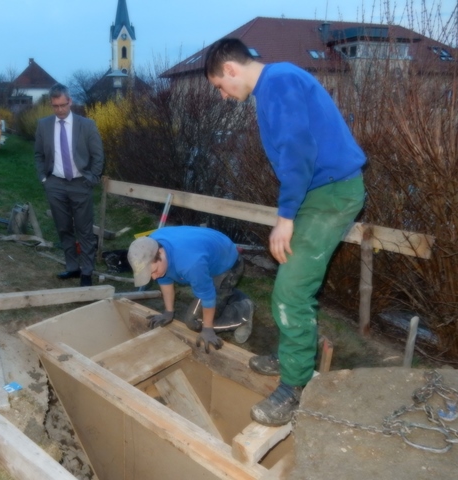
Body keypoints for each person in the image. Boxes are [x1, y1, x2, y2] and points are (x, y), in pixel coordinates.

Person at [204, 38, 366, 426]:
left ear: (230, 69)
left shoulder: (279, 82)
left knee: (291, 290)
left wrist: (286, 216)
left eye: (219, 86)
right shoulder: (273, 86)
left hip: (330, 194)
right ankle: (293, 355)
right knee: (290, 281)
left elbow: (297, 150)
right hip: (319, 191)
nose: (223, 96)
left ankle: (294, 387)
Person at [127, 226, 253, 353]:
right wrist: (168, 312)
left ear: (160, 253)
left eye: (154, 271)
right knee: (217, 291)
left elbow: (207, 297)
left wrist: (208, 329)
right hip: (210, 252)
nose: (154, 277)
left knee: (195, 321)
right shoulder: (150, 246)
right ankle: (228, 294)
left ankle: (243, 316)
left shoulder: (190, 264)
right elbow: (165, 281)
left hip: (228, 265)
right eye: (150, 274)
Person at [35, 83, 105, 287]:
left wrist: (92, 178)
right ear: (51, 104)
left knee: (84, 230)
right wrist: (44, 179)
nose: (60, 110)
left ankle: (87, 272)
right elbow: (38, 154)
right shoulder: (44, 125)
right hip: (55, 184)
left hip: (81, 183)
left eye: (63, 105)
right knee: (63, 228)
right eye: (55, 106)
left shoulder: (87, 125)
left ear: (70, 102)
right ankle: (72, 267)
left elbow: (98, 155)